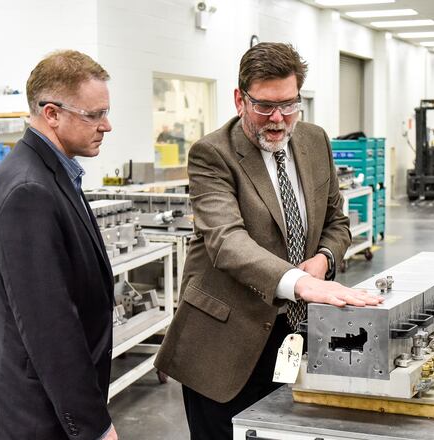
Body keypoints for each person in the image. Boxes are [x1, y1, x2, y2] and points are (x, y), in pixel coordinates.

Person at [155, 42, 384, 439]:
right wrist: (300, 283)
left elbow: (337, 221)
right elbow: (227, 241)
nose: (278, 119)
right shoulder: (212, 154)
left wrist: (324, 259)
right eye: (264, 106)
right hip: (225, 342)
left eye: (289, 105)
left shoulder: (314, 141)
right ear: (239, 99)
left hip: (296, 333)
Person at [0, 50, 118, 440]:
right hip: (35, 414)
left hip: (46, 404)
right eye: (94, 114)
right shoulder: (28, 190)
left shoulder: (51, 173)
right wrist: (94, 426)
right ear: (52, 113)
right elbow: (50, 327)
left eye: (105, 112)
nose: (106, 125)